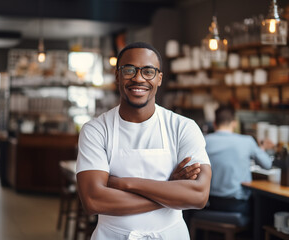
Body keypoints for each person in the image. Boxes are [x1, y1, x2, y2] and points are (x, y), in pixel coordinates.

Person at [76, 42, 212, 239]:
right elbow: (93, 201)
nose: (138, 78)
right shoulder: (96, 130)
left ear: (159, 78)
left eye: (148, 71)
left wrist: (126, 184)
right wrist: (170, 191)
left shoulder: (183, 127)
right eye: (129, 70)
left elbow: (199, 196)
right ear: (117, 76)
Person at [205, 105, 273, 216]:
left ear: (214, 123)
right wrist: (262, 148)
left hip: (210, 202)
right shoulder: (247, 141)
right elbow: (267, 164)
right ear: (234, 123)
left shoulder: (205, 141)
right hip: (237, 205)